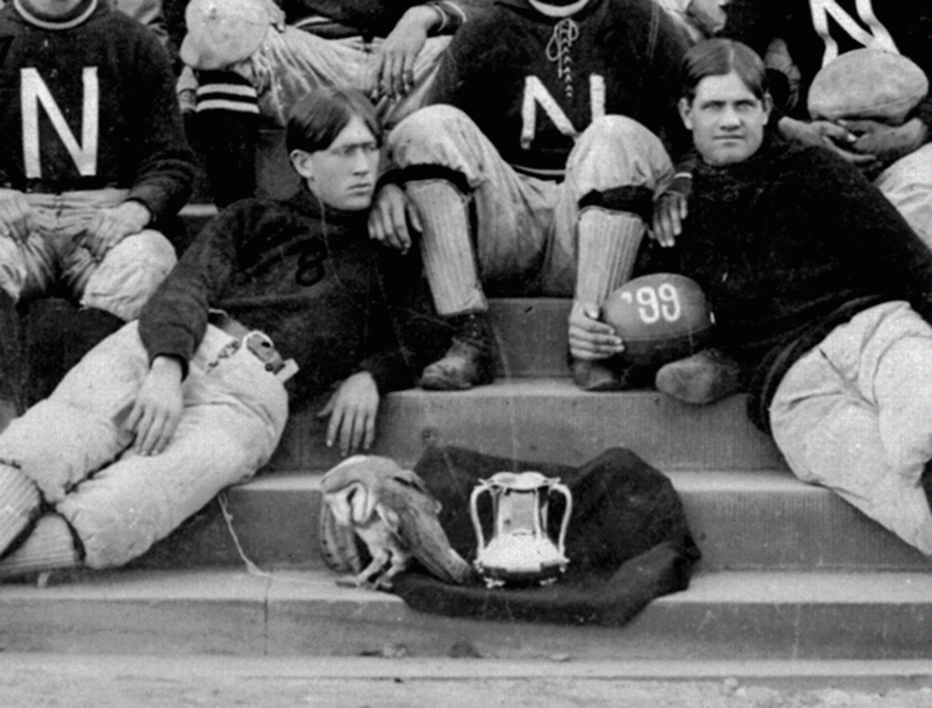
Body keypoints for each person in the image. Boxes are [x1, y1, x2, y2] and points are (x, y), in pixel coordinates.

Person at [0, 87, 449, 579]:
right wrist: (166, 368)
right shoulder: (252, 217)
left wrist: (372, 375)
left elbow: (429, 329)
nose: (364, 166)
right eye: (346, 151)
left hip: (250, 399)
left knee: (134, 503)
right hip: (166, 347)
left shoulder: (388, 246)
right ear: (302, 162)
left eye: (371, 149)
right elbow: (187, 284)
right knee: (47, 444)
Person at [642, 38, 932, 556]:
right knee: (899, 495)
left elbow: (910, 262)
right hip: (792, 386)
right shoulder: (677, 213)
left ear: (767, 110)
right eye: (713, 106)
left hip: (871, 330)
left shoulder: (812, 170)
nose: (730, 120)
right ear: (687, 113)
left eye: (743, 105)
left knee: (924, 420)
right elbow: (660, 317)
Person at [368, 0, 690, 391]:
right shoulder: (489, 23)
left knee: (615, 133)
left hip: (595, 229)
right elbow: (429, 130)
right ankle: (466, 333)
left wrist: (681, 180)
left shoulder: (644, 19)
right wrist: (386, 182)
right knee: (426, 126)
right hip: (509, 219)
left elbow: (696, 118)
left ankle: (591, 339)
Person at [0, 0, 196, 410]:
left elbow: (171, 161)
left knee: (147, 260)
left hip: (104, 217)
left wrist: (136, 209)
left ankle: (83, 411)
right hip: (17, 223)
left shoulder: (132, 41)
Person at [654, 0, 932, 246]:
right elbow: (732, 58)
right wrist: (791, 127)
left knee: (913, 208)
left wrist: (919, 128)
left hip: (918, 140)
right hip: (826, 147)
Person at [178, 0, 481, 206]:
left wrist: (423, 16)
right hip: (309, 59)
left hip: (411, 60)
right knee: (222, 18)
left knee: (488, 38)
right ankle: (239, 226)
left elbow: (498, 9)